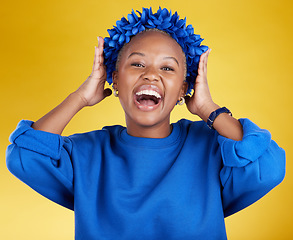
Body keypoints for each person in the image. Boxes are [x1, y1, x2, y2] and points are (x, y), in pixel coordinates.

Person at [6, 7, 285, 240]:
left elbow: (269, 166)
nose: (151, 75)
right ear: (114, 79)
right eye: (137, 64)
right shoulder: (87, 153)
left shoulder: (212, 146)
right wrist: (79, 97)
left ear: (182, 89)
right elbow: (24, 155)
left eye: (167, 68)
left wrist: (208, 109)